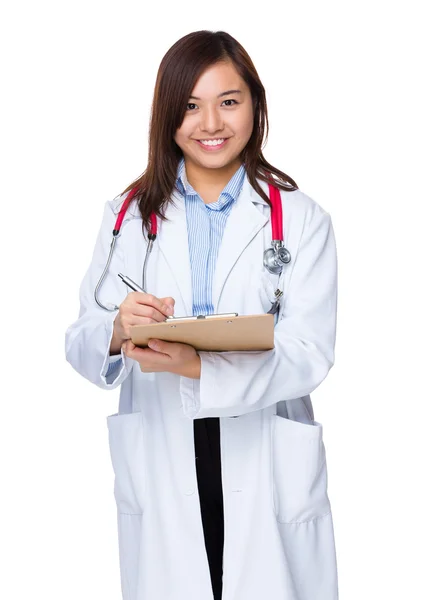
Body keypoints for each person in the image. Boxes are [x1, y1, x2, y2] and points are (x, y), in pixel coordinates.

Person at [65, 30, 339, 600]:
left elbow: (309, 353)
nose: (210, 123)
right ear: (167, 115)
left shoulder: (303, 220)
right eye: (190, 105)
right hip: (162, 444)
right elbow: (81, 336)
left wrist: (198, 367)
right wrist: (118, 328)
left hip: (263, 446)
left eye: (229, 101)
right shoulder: (126, 215)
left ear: (256, 107)